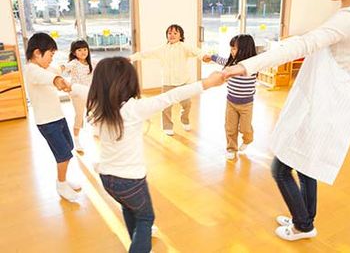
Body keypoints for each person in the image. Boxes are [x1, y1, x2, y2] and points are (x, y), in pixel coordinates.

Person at [223, 0, 350, 241]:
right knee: (306, 165)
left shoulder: (349, 19)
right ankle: (304, 218)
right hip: (329, 104)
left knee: (280, 168)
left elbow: (303, 43)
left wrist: (245, 65)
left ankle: (303, 225)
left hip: (321, 105)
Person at [69, 57, 224, 253]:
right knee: (146, 218)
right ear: (129, 82)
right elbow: (172, 96)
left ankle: (138, 243)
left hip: (107, 179)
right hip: (131, 181)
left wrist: (64, 82)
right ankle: (140, 246)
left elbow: (79, 89)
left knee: (128, 208)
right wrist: (208, 83)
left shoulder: (99, 102)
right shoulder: (134, 108)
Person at [24, 32, 81, 202]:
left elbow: (57, 70)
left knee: (68, 147)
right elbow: (46, 77)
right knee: (63, 155)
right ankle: (61, 184)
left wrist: (69, 67)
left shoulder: (45, 67)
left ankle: (63, 179)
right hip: (47, 123)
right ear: (37, 53)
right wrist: (57, 80)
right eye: (50, 54)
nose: (51, 58)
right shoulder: (31, 70)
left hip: (58, 117)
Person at [129, 24, 207, 136]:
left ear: (180, 36)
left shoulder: (184, 47)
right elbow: (146, 54)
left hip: (183, 82)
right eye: (169, 33)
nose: (172, 35)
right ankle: (167, 126)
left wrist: (204, 56)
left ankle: (184, 119)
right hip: (167, 83)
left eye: (175, 33)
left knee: (187, 104)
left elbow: (197, 51)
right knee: (165, 106)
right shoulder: (162, 49)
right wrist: (131, 58)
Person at [203, 34, 258, 160]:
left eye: (234, 48)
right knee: (230, 127)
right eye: (231, 48)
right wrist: (210, 56)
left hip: (246, 105)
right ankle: (231, 148)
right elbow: (221, 60)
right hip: (231, 102)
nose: (231, 51)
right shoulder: (231, 62)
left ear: (245, 49)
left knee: (245, 128)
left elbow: (266, 60)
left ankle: (248, 139)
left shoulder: (253, 65)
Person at [61, 39, 94, 152]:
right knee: (79, 115)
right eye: (79, 50)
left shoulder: (91, 63)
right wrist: (58, 69)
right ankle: (76, 139)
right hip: (76, 94)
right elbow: (65, 66)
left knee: (97, 110)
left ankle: (96, 128)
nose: (83, 52)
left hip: (88, 92)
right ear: (74, 53)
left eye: (85, 49)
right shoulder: (74, 63)